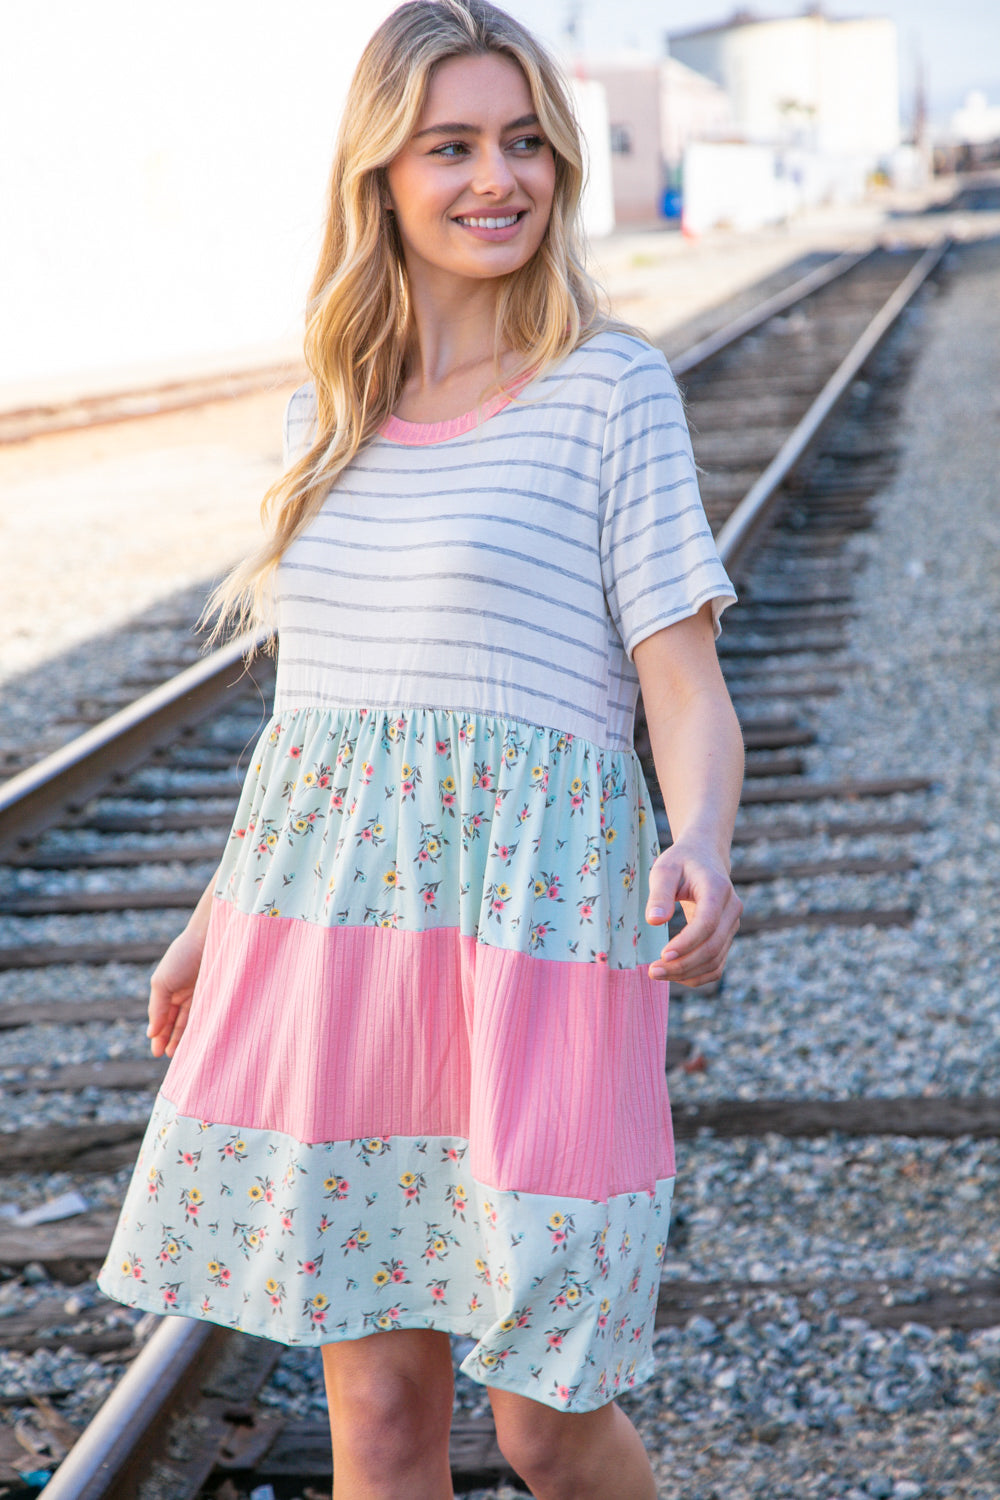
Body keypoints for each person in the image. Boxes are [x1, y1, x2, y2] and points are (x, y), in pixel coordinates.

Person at [98, 3, 744, 1496]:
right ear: (381, 173)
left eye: (522, 142)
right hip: (336, 944)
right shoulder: (325, 416)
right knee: (382, 1418)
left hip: (538, 944)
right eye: (449, 146)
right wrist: (214, 914)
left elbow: (685, 683)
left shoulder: (610, 388)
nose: (494, 178)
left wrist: (701, 840)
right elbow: (315, 715)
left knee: (543, 1415)